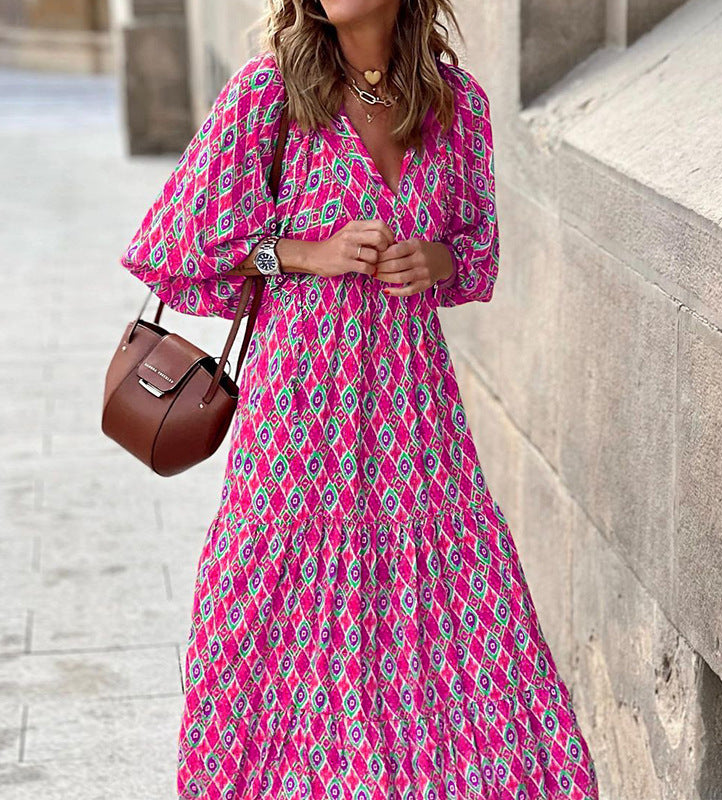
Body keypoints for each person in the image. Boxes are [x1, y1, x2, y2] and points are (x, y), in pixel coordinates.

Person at [120, 0, 600, 797]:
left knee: (460, 637)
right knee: (272, 628)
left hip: (416, 425)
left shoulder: (459, 105)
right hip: (300, 418)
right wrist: (309, 251)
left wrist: (432, 260)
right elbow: (173, 244)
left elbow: (478, 253)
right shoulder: (268, 94)